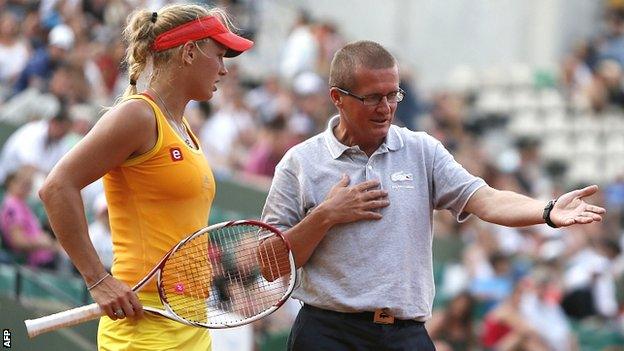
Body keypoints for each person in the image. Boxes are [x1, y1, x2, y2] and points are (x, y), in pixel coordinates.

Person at [260, 40, 606, 351]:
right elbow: (269, 263)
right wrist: (326, 215)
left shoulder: (421, 150)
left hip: (405, 333)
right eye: (372, 97)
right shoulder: (301, 162)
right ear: (338, 97)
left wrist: (546, 210)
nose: (386, 107)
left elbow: (485, 199)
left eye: (393, 94)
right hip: (329, 333)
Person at [38, 4, 253, 350]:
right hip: (144, 329)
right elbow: (55, 187)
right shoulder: (137, 115)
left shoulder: (182, 128)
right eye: (219, 56)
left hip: (191, 322)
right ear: (188, 52)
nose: (224, 70)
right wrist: (98, 280)